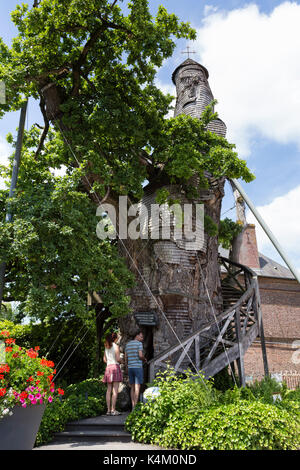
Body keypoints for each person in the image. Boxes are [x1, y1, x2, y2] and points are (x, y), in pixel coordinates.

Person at [125, 330, 147, 410]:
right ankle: (135, 407)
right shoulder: (139, 344)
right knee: (137, 387)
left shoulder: (127, 344)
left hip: (130, 367)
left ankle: (132, 406)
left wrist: (126, 366)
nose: (142, 338)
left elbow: (125, 357)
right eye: (141, 336)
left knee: (132, 387)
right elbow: (140, 355)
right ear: (136, 336)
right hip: (137, 367)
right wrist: (144, 359)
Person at [102, 332, 123, 416]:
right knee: (115, 390)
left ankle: (108, 410)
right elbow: (118, 359)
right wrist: (122, 361)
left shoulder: (106, 347)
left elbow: (104, 359)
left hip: (108, 368)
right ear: (115, 339)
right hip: (115, 367)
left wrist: (109, 361)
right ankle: (113, 410)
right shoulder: (116, 346)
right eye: (117, 338)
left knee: (108, 389)